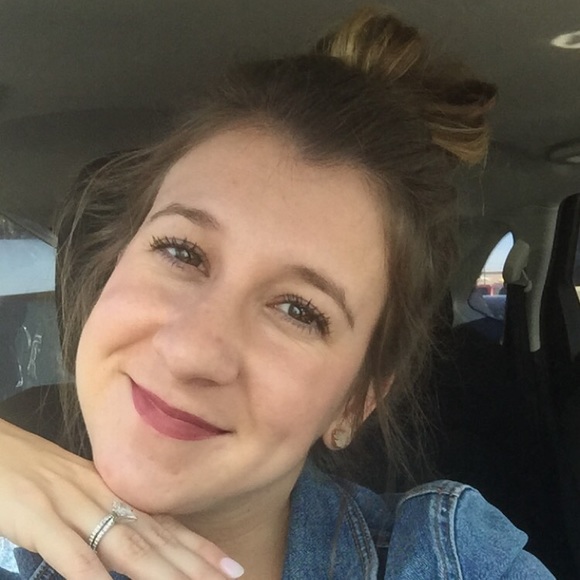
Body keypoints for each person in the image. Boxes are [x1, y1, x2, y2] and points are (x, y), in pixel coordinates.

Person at [0, 7, 555, 580]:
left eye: (298, 311)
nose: (192, 352)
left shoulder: (451, 563)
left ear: (356, 402)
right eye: (182, 252)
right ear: (114, 264)